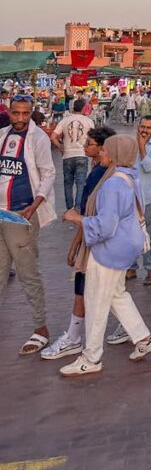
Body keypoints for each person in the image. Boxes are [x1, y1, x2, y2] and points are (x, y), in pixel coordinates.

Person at [60, 135, 151, 375]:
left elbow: (105, 226)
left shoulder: (113, 184)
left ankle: (91, 358)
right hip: (124, 248)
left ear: (114, 154)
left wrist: (77, 218)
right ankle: (142, 337)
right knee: (116, 295)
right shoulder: (130, 176)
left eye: (106, 150)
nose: (102, 153)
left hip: (109, 251)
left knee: (96, 302)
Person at [40, 126, 117, 361]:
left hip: (96, 239)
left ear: (103, 148)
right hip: (96, 237)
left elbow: (89, 214)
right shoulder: (105, 172)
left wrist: (77, 242)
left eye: (89, 144)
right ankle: (134, 330)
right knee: (114, 291)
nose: (84, 147)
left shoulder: (104, 176)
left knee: (87, 286)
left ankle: (75, 338)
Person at [0, 95, 56, 355]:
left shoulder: (38, 138)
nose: (20, 118)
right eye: (16, 113)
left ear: (31, 113)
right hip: (1, 213)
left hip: (21, 214)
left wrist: (35, 204)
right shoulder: (3, 135)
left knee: (27, 273)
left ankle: (40, 328)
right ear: (9, 112)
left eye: (25, 113)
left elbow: (48, 173)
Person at [127, 115, 151, 285]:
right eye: (143, 127)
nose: (144, 131)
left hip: (148, 198)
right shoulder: (129, 144)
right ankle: (131, 267)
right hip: (130, 198)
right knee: (130, 235)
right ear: (138, 126)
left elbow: (148, 167)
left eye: (148, 128)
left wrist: (142, 148)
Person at [51, 98, 94, 212]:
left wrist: (60, 146)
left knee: (68, 183)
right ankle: (78, 208)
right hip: (82, 155)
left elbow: (53, 137)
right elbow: (93, 138)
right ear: (83, 108)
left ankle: (69, 209)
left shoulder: (65, 120)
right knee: (81, 183)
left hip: (67, 155)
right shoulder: (88, 121)